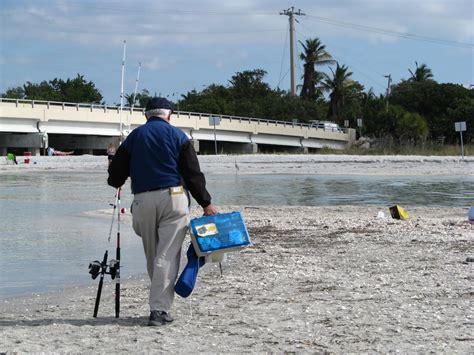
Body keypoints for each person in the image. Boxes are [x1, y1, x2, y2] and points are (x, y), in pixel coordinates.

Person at [107, 97, 217, 326]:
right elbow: (192, 174)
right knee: (166, 256)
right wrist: (206, 203)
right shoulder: (179, 137)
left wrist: (117, 172)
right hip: (174, 198)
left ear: (146, 115)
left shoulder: (134, 138)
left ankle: (161, 306)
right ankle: (158, 310)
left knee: (154, 255)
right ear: (170, 115)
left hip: (143, 200)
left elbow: (115, 176)